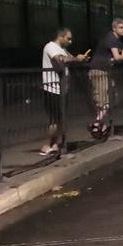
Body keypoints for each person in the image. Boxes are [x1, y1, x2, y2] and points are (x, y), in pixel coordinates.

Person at [40, 27, 90, 155]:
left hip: (61, 89)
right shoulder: (50, 47)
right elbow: (59, 59)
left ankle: (54, 143)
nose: (70, 41)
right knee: (54, 119)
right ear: (60, 37)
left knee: (60, 118)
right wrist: (75, 59)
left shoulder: (63, 49)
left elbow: (69, 58)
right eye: (68, 38)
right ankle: (48, 145)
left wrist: (80, 59)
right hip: (52, 89)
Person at [88, 19, 123, 138]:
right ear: (114, 28)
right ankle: (96, 123)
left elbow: (121, 53)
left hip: (106, 71)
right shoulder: (111, 38)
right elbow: (118, 57)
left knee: (112, 98)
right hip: (99, 71)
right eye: (121, 27)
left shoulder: (119, 40)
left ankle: (100, 123)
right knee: (104, 100)